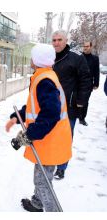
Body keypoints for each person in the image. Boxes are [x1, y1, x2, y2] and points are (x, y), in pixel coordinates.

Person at [5, 43, 72, 212]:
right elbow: (36, 107)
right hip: (50, 136)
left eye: (33, 57)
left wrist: (31, 133)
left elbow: (51, 113)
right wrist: (16, 117)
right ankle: (37, 202)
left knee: (43, 181)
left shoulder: (44, 81)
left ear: (37, 60)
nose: (31, 60)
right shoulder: (45, 76)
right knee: (42, 174)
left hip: (51, 138)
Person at [51, 30, 92, 179]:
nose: (56, 43)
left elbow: (86, 80)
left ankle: (62, 167)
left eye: (59, 40)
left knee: (65, 138)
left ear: (66, 40)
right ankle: (50, 160)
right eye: (54, 40)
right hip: (50, 106)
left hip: (69, 107)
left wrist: (81, 100)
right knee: (50, 136)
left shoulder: (76, 59)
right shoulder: (49, 57)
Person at [80, 41, 100, 126]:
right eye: (84, 46)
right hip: (78, 82)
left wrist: (96, 83)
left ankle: (82, 118)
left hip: (88, 84)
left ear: (91, 47)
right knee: (75, 100)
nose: (85, 48)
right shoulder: (79, 57)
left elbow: (96, 71)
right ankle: (76, 115)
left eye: (87, 46)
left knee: (85, 101)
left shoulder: (95, 58)